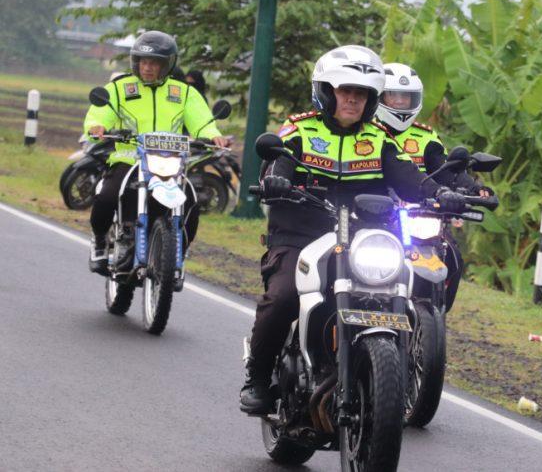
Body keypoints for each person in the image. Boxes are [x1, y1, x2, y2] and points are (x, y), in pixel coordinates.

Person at [240, 45, 465, 414]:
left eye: (361, 94)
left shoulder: (379, 139)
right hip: (302, 236)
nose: (352, 100)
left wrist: (441, 193)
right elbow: (278, 163)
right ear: (327, 92)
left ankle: (390, 374)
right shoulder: (300, 130)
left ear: (371, 99)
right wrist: (277, 181)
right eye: (345, 91)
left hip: (364, 238)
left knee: (397, 288)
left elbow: (409, 178)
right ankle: (258, 377)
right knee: (282, 298)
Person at [84, 30, 230, 274]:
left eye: (154, 62)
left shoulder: (184, 93)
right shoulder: (120, 88)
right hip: (128, 158)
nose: (147, 67)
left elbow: (202, 121)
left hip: (169, 161)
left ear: (167, 65)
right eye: (143, 61)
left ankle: (177, 251)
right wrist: (96, 127)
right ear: (135, 62)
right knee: (107, 196)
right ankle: (100, 240)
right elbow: (100, 112)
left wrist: (213, 134)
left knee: (191, 202)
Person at [374, 62, 493, 312]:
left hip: (419, 215)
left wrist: (473, 189)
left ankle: (436, 311)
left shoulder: (425, 138)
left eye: (405, 97)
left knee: (452, 256)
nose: (399, 103)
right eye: (393, 96)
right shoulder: (366, 133)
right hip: (374, 216)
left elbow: (448, 170)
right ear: (379, 97)